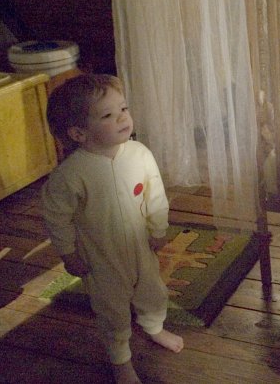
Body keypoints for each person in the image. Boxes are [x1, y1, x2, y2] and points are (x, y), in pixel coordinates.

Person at [42, 74, 183, 384]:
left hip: (141, 246)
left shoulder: (139, 153)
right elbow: (57, 218)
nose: (122, 118)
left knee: (153, 292)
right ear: (79, 133)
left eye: (123, 108)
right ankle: (121, 360)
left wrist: (158, 229)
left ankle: (154, 326)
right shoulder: (69, 176)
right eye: (108, 115)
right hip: (101, 257)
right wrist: (68, 254)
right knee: (112, 310)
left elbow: (155, 194)